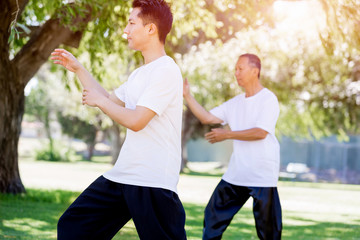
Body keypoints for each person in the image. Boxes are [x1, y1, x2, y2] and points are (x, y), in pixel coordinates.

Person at [51, 0, 186, 239]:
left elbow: (136, 120)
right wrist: (79, 69)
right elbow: (109, 100)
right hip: (123, 175)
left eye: (132, 23)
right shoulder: (139, 74)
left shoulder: (166, 70)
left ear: (151, 29)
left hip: (152, 181)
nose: (126, 30)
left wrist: (100, 102)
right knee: (74, 227)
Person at [183, 53, 282, 240]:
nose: (236, 73)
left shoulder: (268, 99)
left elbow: (261, 132)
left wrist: (227, 134)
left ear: (255, 71)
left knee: (269, 232)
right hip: (237, 173)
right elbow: (207, 118)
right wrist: (187, 96)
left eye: (240, 69)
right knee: (212, 216)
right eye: (235, 69)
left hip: (262, 175)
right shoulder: (235, 103)